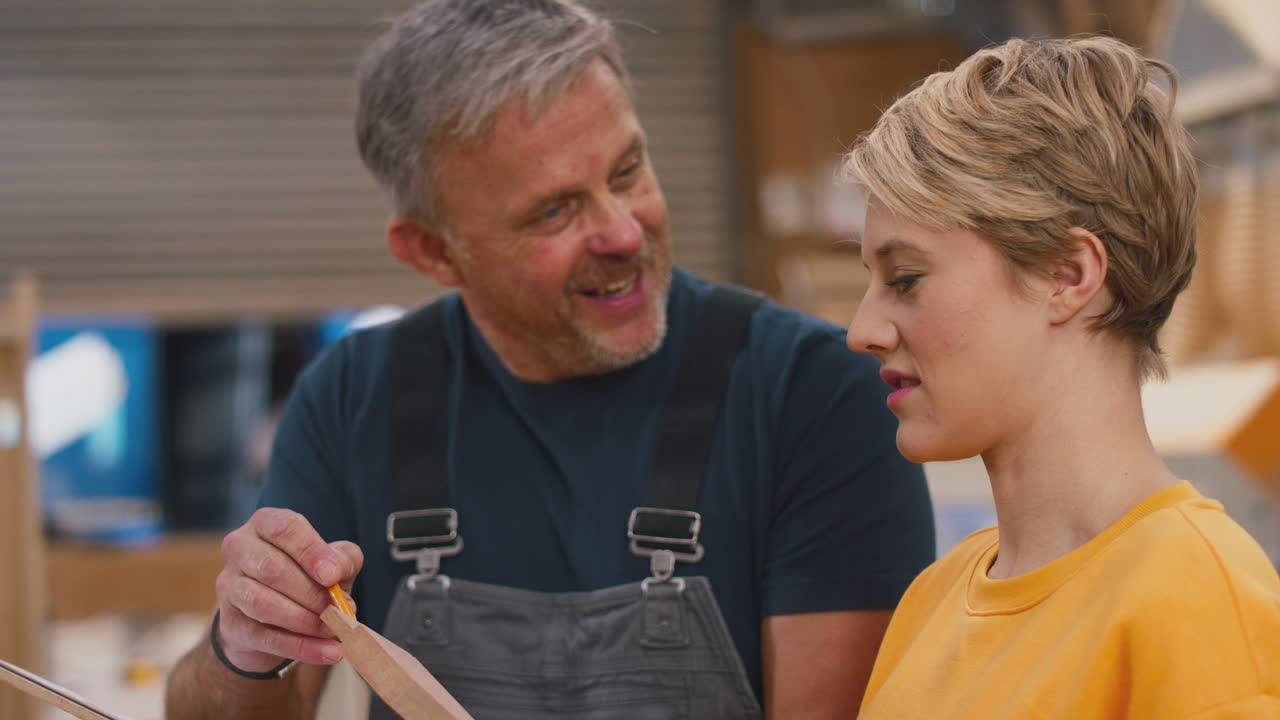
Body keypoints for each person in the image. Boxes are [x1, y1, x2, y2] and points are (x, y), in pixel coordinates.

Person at [164, 1, 935, 718]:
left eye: (627, 171)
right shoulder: (351, 400)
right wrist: (245, 643)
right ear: (434, 251)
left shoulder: (815, 397)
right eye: (555, 211)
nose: (623, 233)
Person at [843, 35, 1280, 719]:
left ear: (1067, 276)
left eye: (905, 279)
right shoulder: (933, 599)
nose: (862, 329)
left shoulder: (1197, 597)